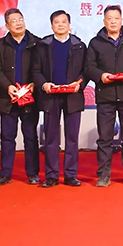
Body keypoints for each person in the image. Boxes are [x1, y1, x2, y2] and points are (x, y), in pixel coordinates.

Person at [84, 5, 123, 187]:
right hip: (105, 96)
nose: (113, 21)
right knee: (104, 138)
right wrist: (101, 76)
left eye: (116, 18)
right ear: (104, 21)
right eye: (110, 18)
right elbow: (89, 67)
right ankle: (103, 174)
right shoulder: (95, 42)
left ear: (122, 20)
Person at [31, 10, 87, 188]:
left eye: (64, 21)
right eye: (57, 22)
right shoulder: (43, 46)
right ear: (51, 25)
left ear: (69, 25)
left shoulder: (80, 46)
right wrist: (44, 84)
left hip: (73, 96)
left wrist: (79, 84)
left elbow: (86, 71)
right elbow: (35, 71)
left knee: (72, 138)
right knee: (51, 138)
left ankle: (71, 175)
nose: (61, 24)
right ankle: (51, 175)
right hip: (50, 97)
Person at [0, 8, 40, 186]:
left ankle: (33, 173)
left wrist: (34, 84)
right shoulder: (0, 46)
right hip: (8, 98)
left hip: (30, 98)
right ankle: (5, 174)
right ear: (7, 25)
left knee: (31, 137)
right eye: (14, 21)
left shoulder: (37, 43)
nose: (18, 23)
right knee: (7, 137)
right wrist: (8, 86)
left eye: (20, 19)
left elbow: (42, 68)